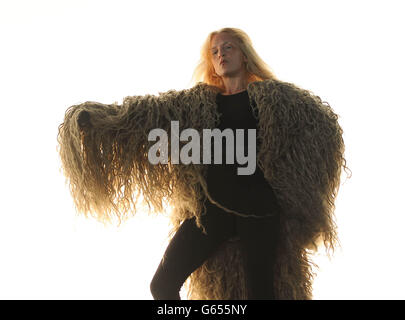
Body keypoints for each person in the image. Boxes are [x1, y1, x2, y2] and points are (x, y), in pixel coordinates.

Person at [58, 27, 350, 300]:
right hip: (213, 210)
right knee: (162, 285)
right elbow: (148, 116)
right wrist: (99, 120)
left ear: (244, 54)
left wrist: (293, 187)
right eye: (215, 51)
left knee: (261, 294)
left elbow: (319, 123)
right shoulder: (199, 103)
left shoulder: (275, 99)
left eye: (228, 47)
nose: (221, 54)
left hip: (260, 209)